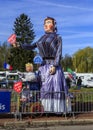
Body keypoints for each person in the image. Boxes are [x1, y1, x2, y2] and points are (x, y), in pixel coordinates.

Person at [13, 17, 71, 113]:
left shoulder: (57, 38)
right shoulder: (42, 38)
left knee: (54, 87)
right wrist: (19, 44)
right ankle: (46, 108)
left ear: (54, 25)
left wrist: (55, 65)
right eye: (44, 23)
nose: (45, 25)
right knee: (44, 88)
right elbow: (32, 46)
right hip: (43, 67)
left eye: (48, 22)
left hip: (53, 66)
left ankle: (57, 109)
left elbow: (59, 53)